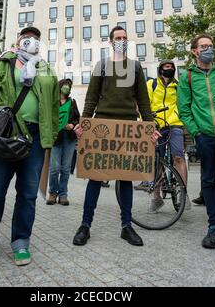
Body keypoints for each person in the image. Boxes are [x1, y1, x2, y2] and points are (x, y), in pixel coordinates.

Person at [0, 27, 59, 266]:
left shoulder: (46, 68)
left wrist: (51, 135)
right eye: (26, 37)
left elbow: (54, 104)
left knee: (27, 194)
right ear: (18, 41)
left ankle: (21, 242)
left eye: (36, 37)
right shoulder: (4, 63)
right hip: (6, 134)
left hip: (34, 138)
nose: (31, 40)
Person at [73, 26, 159, 248]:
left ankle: (126, 226)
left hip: (128, 126)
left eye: (124, 38)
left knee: (125, 178)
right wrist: (84, 124)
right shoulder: (101, 66)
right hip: (102, 124)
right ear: (110, 42)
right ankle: (85, 225)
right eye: (118, 38)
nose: (121, 40)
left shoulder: (136, 67)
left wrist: (150, 127)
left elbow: (143, 101)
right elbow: (91, 98)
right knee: (95, 177)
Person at [177, 34, 215, 249]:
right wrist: (196, 132)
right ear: (194, 51)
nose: (208, 49)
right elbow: (184, 108)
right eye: (204, 46)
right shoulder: (188, 77)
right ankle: (213, 228)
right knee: (208, 181)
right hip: (205, 136)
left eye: (210, 45)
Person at [147, 60, 191, 211]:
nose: (170, 69)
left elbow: (184, 104)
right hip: (157, 125)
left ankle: (183, 193)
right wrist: (148, 118)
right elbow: (144, 104)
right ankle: (157, 196)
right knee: (157, 160)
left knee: (178, 157)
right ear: (160, 70)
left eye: (172, 67)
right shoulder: (152, 85)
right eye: (167, 67)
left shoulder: (178, 86)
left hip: (175, 124)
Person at [47, 79, 80, 206]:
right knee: (54, 168)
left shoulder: (72, 103)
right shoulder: (53, 103)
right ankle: (52, 193)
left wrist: (73, 124)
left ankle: (63, 195)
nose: (67, 88)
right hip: (56, 138)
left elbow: (78, 118)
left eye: (69, 86)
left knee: (66, 168)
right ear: (60, 87)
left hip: (69, 138)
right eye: (65, 86)